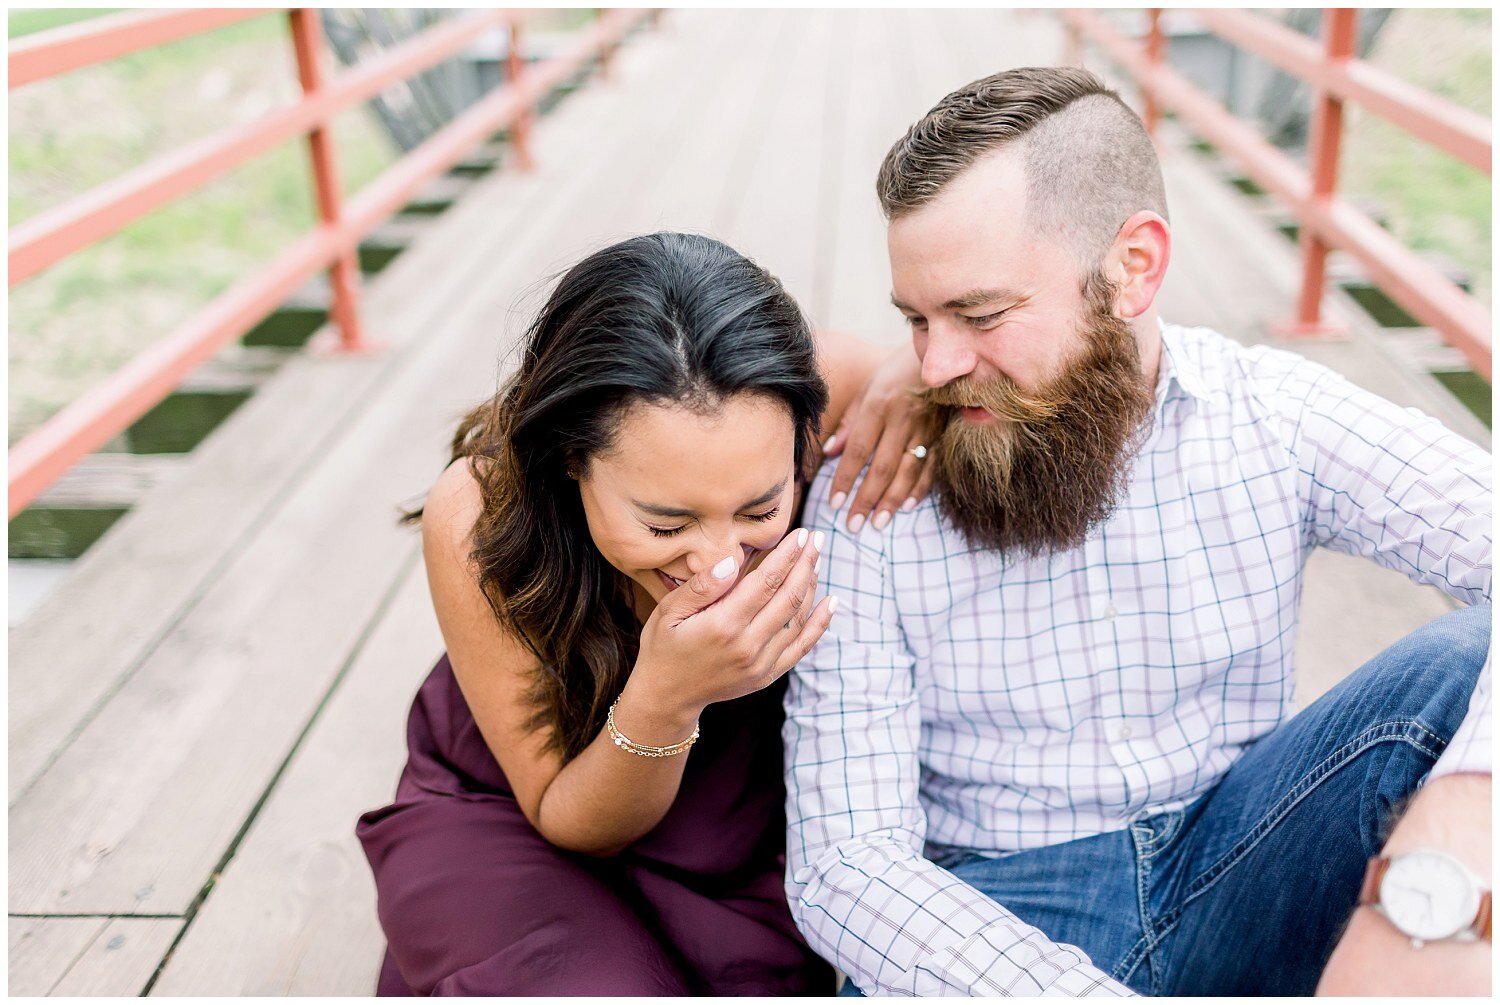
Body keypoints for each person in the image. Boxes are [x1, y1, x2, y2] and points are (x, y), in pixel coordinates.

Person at [783, 66, 1492, 997]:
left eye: (981, 314)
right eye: (916, 320)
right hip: (993, 908)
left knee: (1462, 658)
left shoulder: (1268, 413)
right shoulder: (879, 481)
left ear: (1134, 267)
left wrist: (1455, 828)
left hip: (1240, 857)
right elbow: (848, 865)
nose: (939, 364)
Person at [356, 231, 934, 995]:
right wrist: (668, 693)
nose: (722, 563)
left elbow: (913, 368)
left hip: (731, 816)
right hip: (526, 809)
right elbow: (565, 815)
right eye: (667, 525)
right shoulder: (478, 512)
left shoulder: (811, 391)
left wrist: (911, 383)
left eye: (761, 507)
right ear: (570, 459)